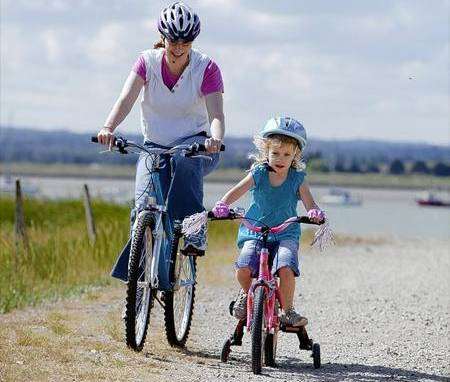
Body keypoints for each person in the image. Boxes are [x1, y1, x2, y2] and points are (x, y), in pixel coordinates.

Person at [97, 2, 225, 261]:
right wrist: (108, 127)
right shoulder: (147, 62)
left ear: (193, 41)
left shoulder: (206, 68)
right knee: (144, 204)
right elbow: (125, 100)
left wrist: (215, 139)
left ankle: (193, 230)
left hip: (195, 145)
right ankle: (140, 272)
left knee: (183, 159)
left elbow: (216, 115)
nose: (178, 48)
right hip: (154, 145)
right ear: (163, 38)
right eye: (173, 41)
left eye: (185, 42)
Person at [211, 117, 324, 327]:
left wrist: (315, 212)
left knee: (286, 267)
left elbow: (310, 203)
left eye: (287, 154)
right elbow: (237, 191)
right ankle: (246, 295)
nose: (280, 158)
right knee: (243, 267)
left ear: (295, 156)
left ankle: (288, 310)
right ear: (266, 152)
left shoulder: (297, 178)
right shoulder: (259, 173)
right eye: (275, 153)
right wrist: (223, 204)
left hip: (285, 234)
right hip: (255, 231)